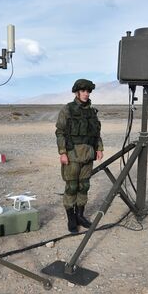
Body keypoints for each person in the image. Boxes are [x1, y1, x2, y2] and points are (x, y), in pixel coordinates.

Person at [55, 79, 104, 233]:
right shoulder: (67, 110)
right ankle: (71, 219)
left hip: (88, 154)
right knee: (72, 187)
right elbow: (60, 132)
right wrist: (62, 152)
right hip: (72, 154)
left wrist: (99, 148)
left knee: (84, 186)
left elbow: (96, 133)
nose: (86, 94)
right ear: (77, 92)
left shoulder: (92, 112)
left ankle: (80, 216)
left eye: (88, 91)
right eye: (83, 91)